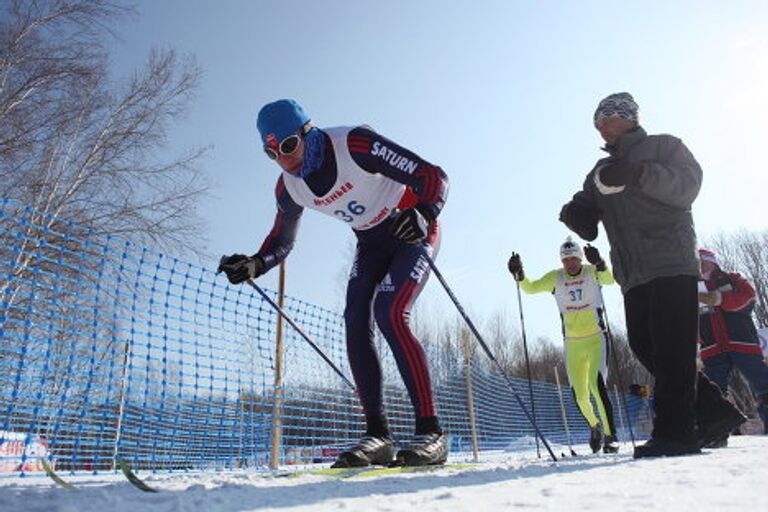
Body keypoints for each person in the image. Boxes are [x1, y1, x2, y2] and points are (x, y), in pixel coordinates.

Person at [218, 99, 449, 467]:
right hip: (370, 242)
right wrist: (254, 264)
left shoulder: (354, 145)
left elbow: (433, 176)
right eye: (271, 152)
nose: (283, 158)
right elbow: (282, 242)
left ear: (308, 132)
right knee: (355, 319)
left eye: (289, 145)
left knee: (390, 313)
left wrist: (423, 212)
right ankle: (378, 435)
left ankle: (431, 432)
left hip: (411, 229)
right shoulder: (289, 189)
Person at [558, 92, 746, 458]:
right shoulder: (597, 174)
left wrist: (640, 173)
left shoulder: (665, 147)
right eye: (597, 121)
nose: (601, 126)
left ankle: (676, 434)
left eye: (607, 118)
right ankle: (714, 412)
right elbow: (589, 218)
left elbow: (688, 185)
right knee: (647, 347)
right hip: (632, 273)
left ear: (627, 117)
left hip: (670, 261)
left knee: (673, 349)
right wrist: (575, 214)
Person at [508, 238, 620, 454]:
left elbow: (609, 280)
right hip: (573, 344)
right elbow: (530, 288)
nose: (571, 264)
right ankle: (594, 426)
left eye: (574, 259)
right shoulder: (556, 278)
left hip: (597, 338)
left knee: (596, 386)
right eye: (566, 260)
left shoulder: (591, 271)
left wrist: (600, 263)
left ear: (580, 258)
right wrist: (519, 274)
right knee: (579, 394)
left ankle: (610, 436)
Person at [698, 248, 768, 439]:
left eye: (701, 260)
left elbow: (749, 296)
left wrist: (719, 299)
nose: (698, 264)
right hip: (712, 348)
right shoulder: (691, 287)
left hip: (742, 342)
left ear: (711, 261)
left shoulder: (733, 278)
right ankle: (716, 433)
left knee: (762, 382)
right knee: (713, 390)